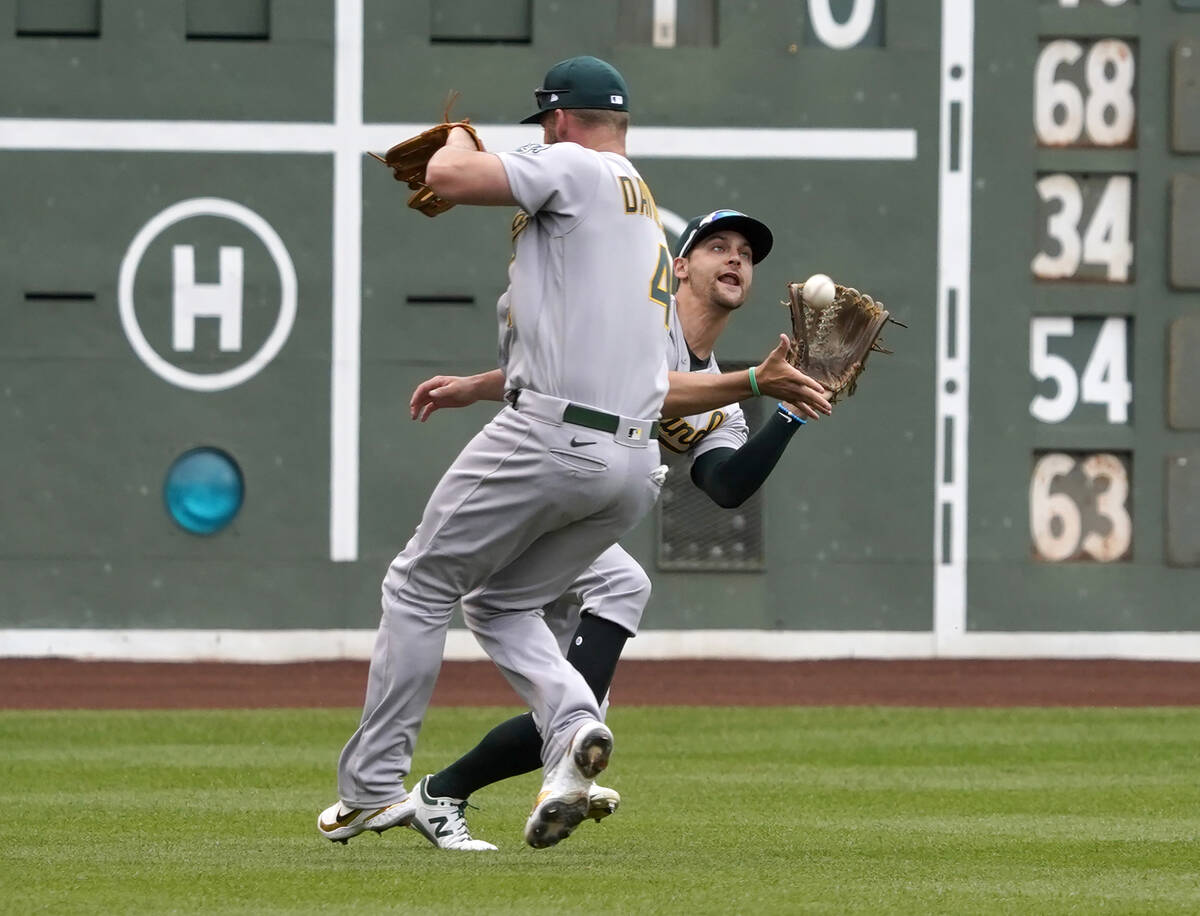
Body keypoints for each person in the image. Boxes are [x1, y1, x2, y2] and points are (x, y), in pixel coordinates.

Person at [319, 56, 680, 851]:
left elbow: (451, 177)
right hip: (628, 464)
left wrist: (459, 136)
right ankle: (575, 723)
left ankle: (375, 786)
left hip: (551, 437)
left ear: (555, 120)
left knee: (418, 585)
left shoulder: (574, 163)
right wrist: (484, 384)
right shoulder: (642, 210)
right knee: (499, 603)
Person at [398, 208, 832, 850]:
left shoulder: (722, 398)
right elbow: (629, 389)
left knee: (593, 684)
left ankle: (452, 792)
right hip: (532, 485)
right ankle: (509, 770)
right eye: (718, 246)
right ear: (681, 267)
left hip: (580, 502)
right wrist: (478, 387)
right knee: (589, 599)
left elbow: (727, 485)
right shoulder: (641, 320)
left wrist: (789, 412)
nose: (736, 258)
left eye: (746, 252)